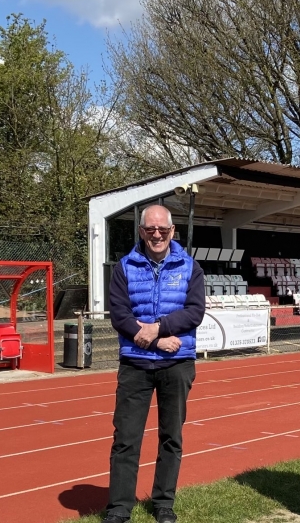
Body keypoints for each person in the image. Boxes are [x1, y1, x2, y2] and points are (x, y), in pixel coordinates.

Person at [104, 205, 206, 523]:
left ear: (172, 231)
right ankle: (120, 507)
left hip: (177, 363)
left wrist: (158, 327)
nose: (156, 235)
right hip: (135, 363)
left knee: (171, 437)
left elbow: (195, 312)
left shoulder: (190, 268)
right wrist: (154, 338)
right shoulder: (124, 267)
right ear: (141, 231)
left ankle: (163, 503)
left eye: (162, 229)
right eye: (150, 229)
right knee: (126, 438)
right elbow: (119, 314)